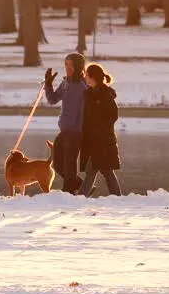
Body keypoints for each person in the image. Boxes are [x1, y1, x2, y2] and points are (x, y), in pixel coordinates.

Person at [44, 52, 87, 194]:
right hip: (65, 130)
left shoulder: (82, 86)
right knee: (57, 164)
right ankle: (82, 186)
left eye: (70, 65)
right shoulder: (66, 82)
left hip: (76, 132)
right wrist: (48, 84)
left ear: (78, 67)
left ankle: (68, 193)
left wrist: (79, 129)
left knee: (69, 164)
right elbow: (53, 99)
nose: (67, 67)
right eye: (66, 64)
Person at [80, 63, 122, 197]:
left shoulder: (105, 95)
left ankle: (81, 197)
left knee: (95, 169)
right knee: (104, 170)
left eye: (86, 75)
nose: (85, 78)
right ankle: (117, 197)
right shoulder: (89, 94)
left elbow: (113, 116)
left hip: (103, 140)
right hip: (94, 140)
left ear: (93, 77)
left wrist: (99, 130)